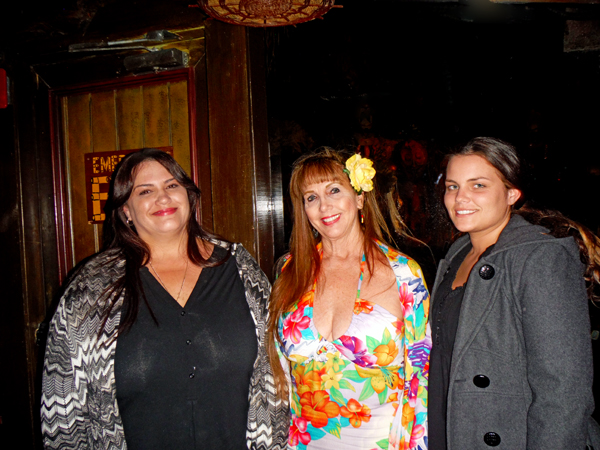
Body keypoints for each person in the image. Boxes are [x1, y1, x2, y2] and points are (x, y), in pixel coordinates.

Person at [40, 148, 289, 450]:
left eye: (172, 185)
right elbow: (62, 410)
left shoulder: (240, 269)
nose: (163, 198)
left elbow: (280, 372)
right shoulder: (90, 289)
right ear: (125, 211)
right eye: (145, 191)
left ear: (189, 196)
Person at [428, 136, 600, 450]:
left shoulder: (540, 257)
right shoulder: (457, 253)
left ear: (511, 194)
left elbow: (563, 392)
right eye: (452, 186)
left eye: (478, 185)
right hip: (452, 428)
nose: (459, 198)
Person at [268, 148, 431, 450]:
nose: (324, 205)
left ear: (358, 198)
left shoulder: (404, 273)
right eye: (311, 197)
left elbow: (420, 382)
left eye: (334, 190)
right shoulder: (291, 270)